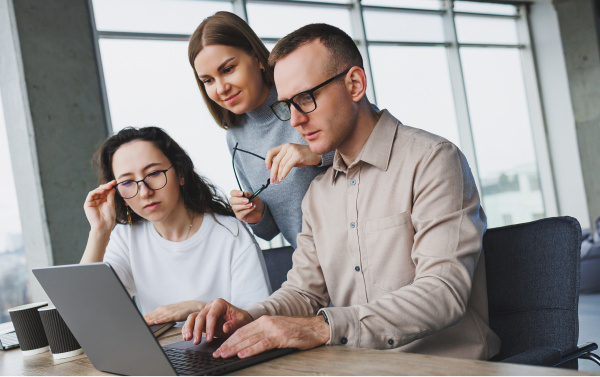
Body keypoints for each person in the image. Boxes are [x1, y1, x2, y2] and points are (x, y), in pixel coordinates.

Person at [181, 23, 502, 360]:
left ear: (354, 84)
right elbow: (303, 292)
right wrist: (248, 316)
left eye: (306, 98)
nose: (293, 121)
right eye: (287, 104)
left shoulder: (432, 160)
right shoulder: (318, 193)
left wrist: (322, 328)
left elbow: (442, 293)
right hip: (360, 365)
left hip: (445, 366)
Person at [80, 126, 271, 325]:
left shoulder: (231, 233)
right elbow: (84, 307)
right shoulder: (126, 237)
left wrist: (200, 308)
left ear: (180, 174)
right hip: (160, 354)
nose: (144, 192)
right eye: (127, 183)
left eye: (153, 173)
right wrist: (99, 231)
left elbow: (257, 322)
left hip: (228, 351)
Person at [187, 11, 335, 249]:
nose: (221, 88)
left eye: (228, 69)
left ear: (256, 58)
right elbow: (271, 230)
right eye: (208, 81)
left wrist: (316, 154)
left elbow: (377, 134)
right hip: (314, 269)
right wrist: (257, 214)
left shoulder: (304, 91)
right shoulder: (235, 138)